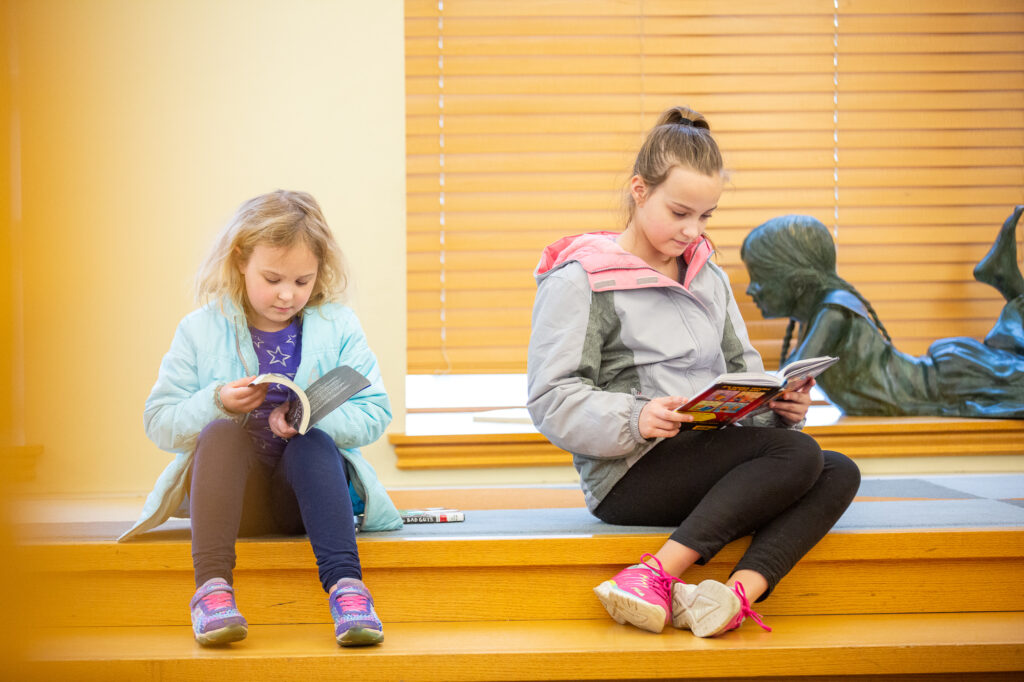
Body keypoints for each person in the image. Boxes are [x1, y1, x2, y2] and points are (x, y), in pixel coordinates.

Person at [526, 107, 861, 637]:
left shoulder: (710, 277)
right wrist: (637, 416)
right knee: (798, 455)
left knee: (839, 467)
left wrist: (778, 408)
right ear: (639, 190)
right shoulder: (581, 280)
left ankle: (730, 598)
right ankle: (654, 573)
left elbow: (742, 374)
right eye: (680, 212)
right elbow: (551, 398)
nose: (691, 230)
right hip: (630, 472)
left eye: (705, 217)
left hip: (706, 451)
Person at [119, 190, 403, 647]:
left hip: (303, 502)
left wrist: (311, 419)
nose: (287, 294)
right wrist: (218, 402)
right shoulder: (199, 328)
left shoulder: (340, 326)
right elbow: (160, 421)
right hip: (234, 504)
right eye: (272, 279)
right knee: (219, 434)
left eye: (303, 281)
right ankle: (212, 591)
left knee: (313, 442)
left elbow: (375, 412)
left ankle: (348, 590)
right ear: (240, 261)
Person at [740, 208, 1024, 418]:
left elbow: (789, 379)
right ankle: (1009, 283)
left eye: (758, 277)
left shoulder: (834, 310)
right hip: (935, 381)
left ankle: (1011, 285)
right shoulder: (821, 311)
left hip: (939, 386)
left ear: (797, 282)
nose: (751, 290)